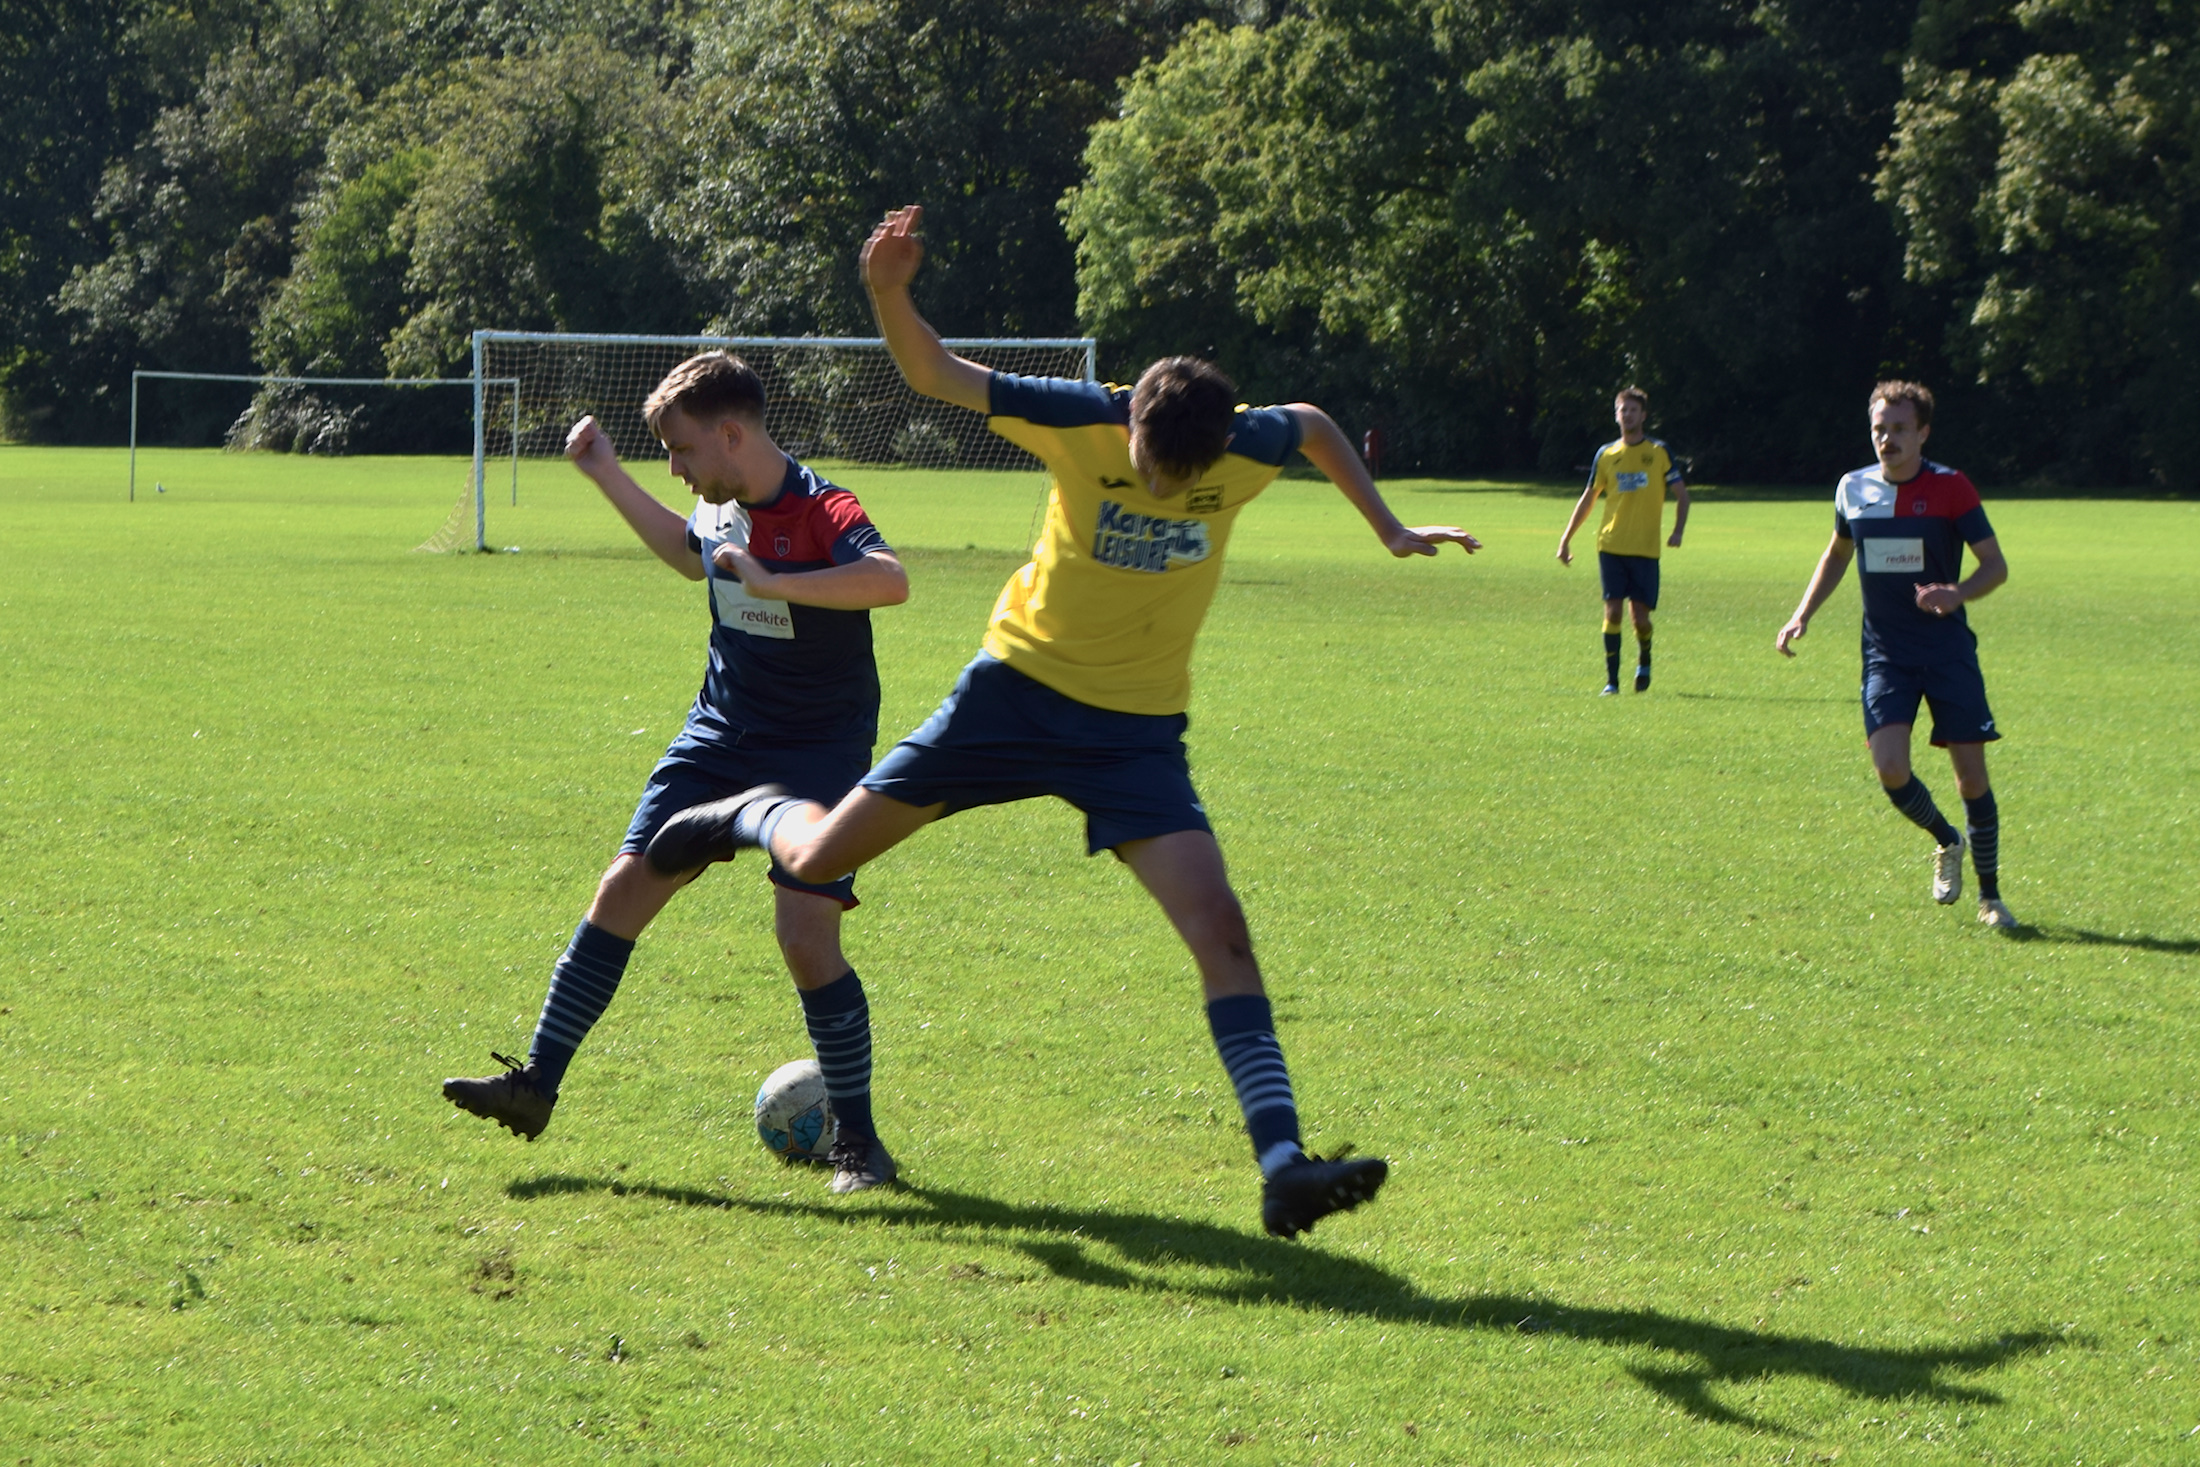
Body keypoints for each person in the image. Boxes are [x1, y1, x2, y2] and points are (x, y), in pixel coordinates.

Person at [645, 205, 1482, 1237]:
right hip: (1011, 696)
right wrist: (888, 291)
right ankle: (740, 813)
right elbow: (934, 372)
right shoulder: (1080, 418)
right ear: (1127, 425)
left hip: (1134, 734)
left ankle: (1282, 1164)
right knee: (814, 859)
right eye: (1149, 469)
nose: (1165, 488)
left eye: (1184, 481)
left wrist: (1388, 527)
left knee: (1221, 931)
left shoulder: (1244, 442)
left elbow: (1310, 422)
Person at [441, 352, 915, 1191]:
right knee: (622, 888)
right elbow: (687, 551)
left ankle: (859, 1145)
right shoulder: (720, 507)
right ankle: (536, 1085)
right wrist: (605, 472)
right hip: (718, 737)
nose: (676, 467)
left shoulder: (822, 505)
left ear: (731, 435)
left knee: (804, 936)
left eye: (682, 449)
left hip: (818, 749)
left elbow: (890, 580)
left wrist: (779, 579)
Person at [1776, 380, 2016, 929]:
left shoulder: (1952, 487)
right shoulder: (1852, 487)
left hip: (1947, 651)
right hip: (1886, 655)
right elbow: (1837, 554)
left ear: (1923, 433)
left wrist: (1957, 593)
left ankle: (1991, 897)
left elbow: (1995, 566)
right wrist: (1802, 614)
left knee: (1971, 780)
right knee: (1889, 768)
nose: (1888, 439)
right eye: (1880, 429)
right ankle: (1946, 839)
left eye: (1900, 429)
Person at [1556, 388, 1690, 693]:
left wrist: (1678, 530)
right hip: (1611, 545)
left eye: (1633, 410)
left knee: (1640, 619)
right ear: (1616, 415)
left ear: (1643, 416)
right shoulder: (1606, 455)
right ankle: (1612, 682)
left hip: (1645, 549)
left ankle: (1645, 659)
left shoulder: (1658, 452)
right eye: (1622, 410)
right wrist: (1566, 539)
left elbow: (1682, 495)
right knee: (1613, 612)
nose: (1627, 415)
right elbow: (1588, 498)